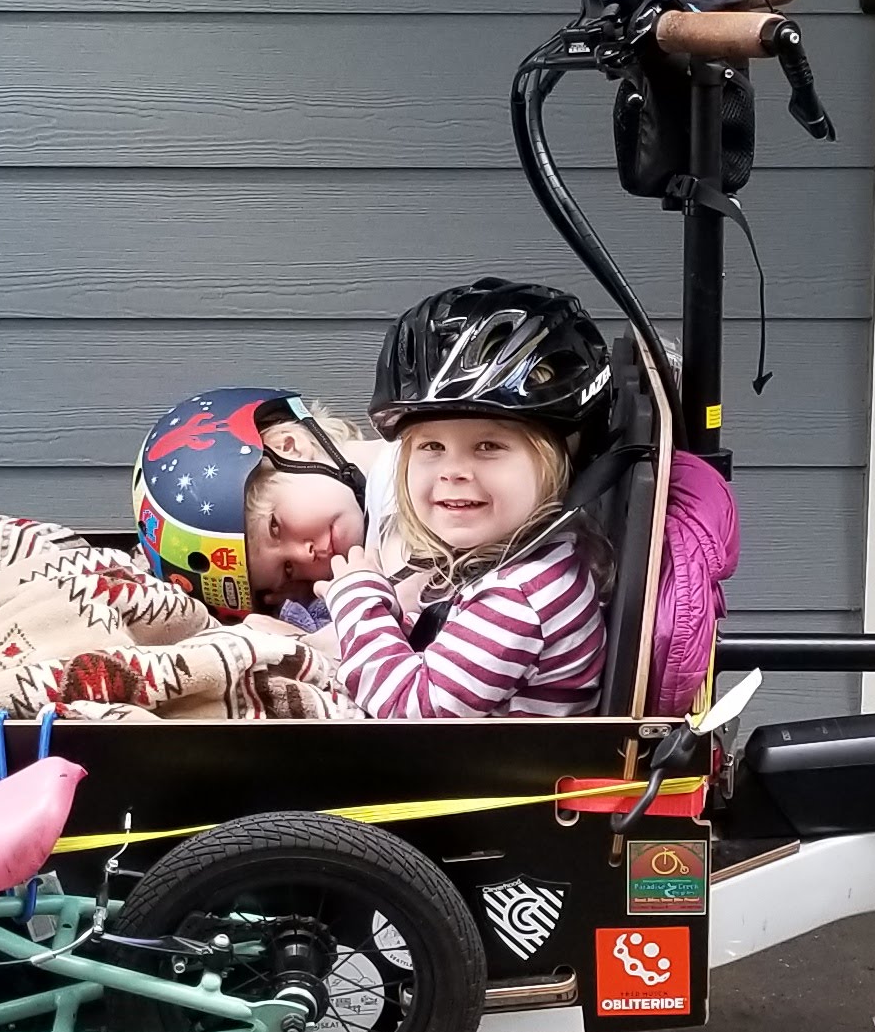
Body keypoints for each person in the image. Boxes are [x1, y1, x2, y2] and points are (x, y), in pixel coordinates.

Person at [315, 284, 614, 718]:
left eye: (489, 446)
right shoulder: (523, 562)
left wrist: (357, 600)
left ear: (561, 461)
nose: (452, 471)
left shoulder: (522, 597)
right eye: (431, 447)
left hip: (467, 781)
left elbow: (408, 711)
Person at [131, 389, 377, 624]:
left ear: (287, 446)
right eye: (289, 569)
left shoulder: (406, 474)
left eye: (275, 527)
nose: (305, 555)